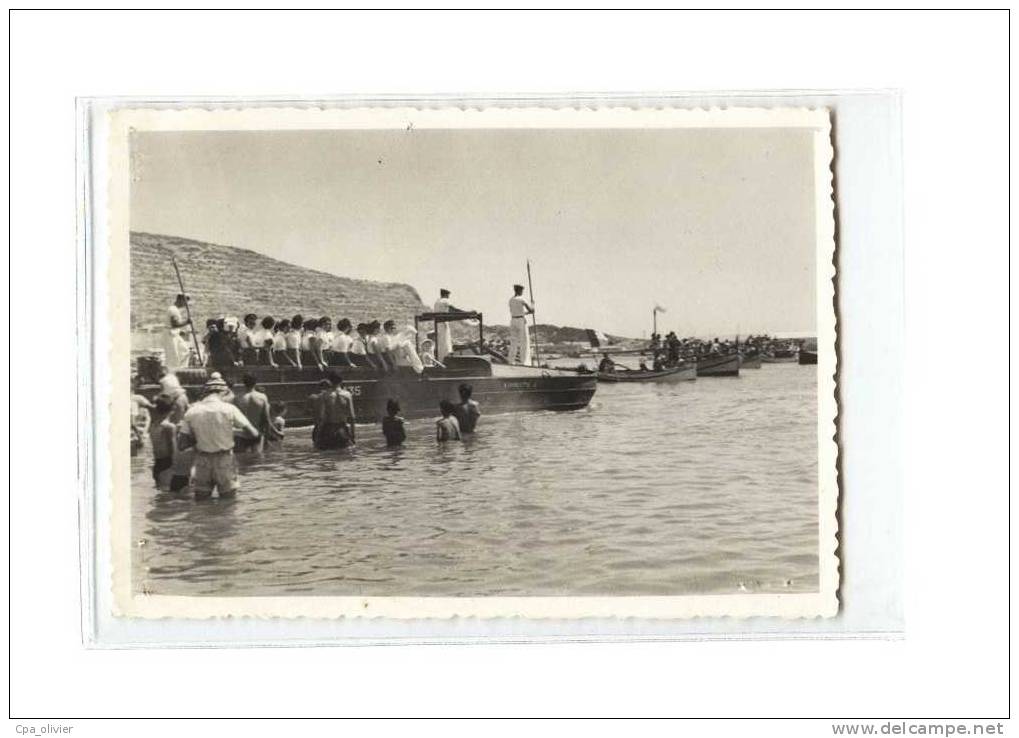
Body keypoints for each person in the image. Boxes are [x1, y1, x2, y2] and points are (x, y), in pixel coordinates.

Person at [177, 374, 260, 500]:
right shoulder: (229, 409)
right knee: (228, 504)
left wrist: (199, 437)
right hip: (224, 459)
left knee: (201, 503)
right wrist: (231, 432)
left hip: (202, 461)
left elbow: (181, 445)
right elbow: (253, 433)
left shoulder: (192, 411)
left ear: (206, 392)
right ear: (223, 392)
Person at [233, 373, 280, 452]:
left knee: (241, 458)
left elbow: (234, 420)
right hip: (256, 432)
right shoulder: (262, 397)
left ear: (243, 383)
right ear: (255, 382)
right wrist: (267, 438)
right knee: (257, 457)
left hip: (240, 434)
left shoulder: (237, 398)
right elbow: (266, 419)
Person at [313, 372, 357, 450]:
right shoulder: (347, 395)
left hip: (328, 430)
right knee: (345, 453)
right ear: (341, 381)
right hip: (342, 429)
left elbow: (320, 417)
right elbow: (352, 417)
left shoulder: (324, 395)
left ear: (329, 381)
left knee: (326, 454)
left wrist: (317, 436)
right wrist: (353, 435)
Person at [148, 398, 177, 490]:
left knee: (160, 492)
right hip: (167, 463)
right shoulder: (169, 427)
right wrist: (177, 465)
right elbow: (173, 446)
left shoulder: (153, 425)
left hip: (157, 463)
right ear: (171, 411)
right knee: (168, 494)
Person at [163, 294, 193, 370]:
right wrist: (187, 322)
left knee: (185, 351)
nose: (185, 305)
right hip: (170, 335)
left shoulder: (175, 309)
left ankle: (182, 369)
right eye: (185, 302)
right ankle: (172, 372)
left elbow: (174, 325)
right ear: (180, 300)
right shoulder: (173, 310)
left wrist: (179, 331)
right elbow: (175, 324)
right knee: (173, 356)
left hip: (175, 334)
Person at [508, 284, 534, 365]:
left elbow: (517, 311)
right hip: (520, 321)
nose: (522, 292)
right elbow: (531, 310)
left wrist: (523, 313)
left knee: (513, 342)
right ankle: (525, 362)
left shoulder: (511, 300)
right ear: (519, 290)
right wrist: (532, 304)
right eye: (522, 290)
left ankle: (511, 361)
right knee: (524, 341)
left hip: (513, 320)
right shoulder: (522, 299)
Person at [130, 377, 154, 455]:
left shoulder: (136, 398)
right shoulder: (136, 399)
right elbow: (133, 423)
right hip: (135, 435)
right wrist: (140, 437)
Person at [433, 288, 458, 361]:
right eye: (448, 295)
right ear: (445, 295)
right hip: (442, 322)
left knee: (441, 342)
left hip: (438, 323)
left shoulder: (437, 302)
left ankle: (440, 360)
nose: (448, 297)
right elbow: (453, 309)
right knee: (445, 343)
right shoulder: (444, 300)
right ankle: (445, 360)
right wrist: (465, 312)